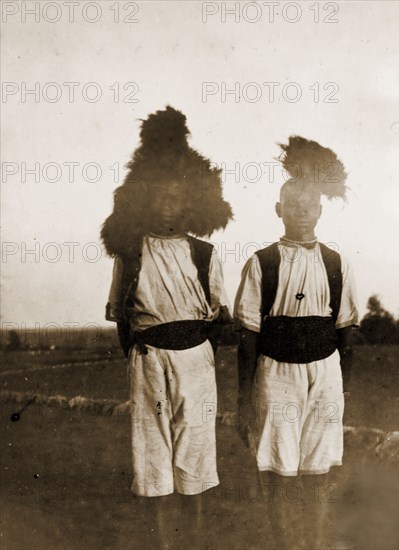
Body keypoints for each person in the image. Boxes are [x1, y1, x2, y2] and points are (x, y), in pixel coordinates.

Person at [101, 106, 233, 549]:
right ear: (145, 202)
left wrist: (195, 352)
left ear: (190, 203)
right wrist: (144, 352)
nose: (167, 207)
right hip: (148, 359)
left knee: (195, 455)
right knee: (153, 457)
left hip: (196, 361)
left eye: (176, 199)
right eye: (159, 199)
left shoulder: (204, 254)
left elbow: (217, 317)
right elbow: (122, 318)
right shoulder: (132, 254)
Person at [234, 136, 359, 549]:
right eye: (293, 205)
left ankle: (317, 543)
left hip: (324, 373)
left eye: (309, 206)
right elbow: (248, 334)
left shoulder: (337, 263)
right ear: (278, 210)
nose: (301, 212)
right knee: (280, 472)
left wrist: (341, 385)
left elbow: (346, 329)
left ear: (320, 211)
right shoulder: (262, 262)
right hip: (276, 372)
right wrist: (243, 397)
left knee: (318, 470)